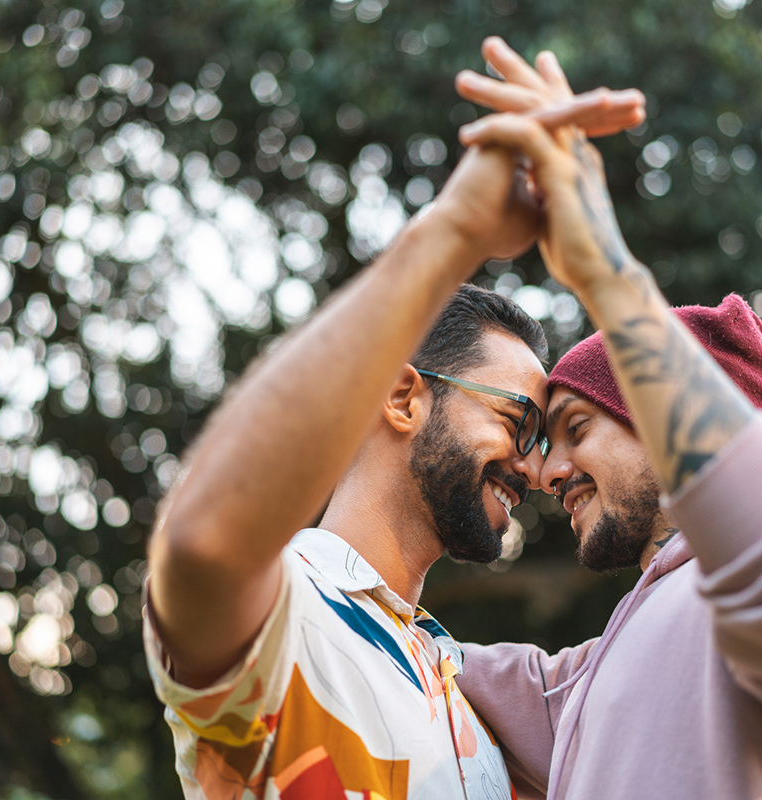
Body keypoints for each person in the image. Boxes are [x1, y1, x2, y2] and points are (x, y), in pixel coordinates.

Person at [451, 45, 762, 800]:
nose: (545, 473)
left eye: (576, 429)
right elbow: (482, 677)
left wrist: (606, 277)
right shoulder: (598, 674)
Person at [142, 77, 647, 797]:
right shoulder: (290, 613)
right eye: (518, 424)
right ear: (404, 396)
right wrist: (452, 234)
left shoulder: (471, 698)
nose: (537, 473)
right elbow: (201, 543)